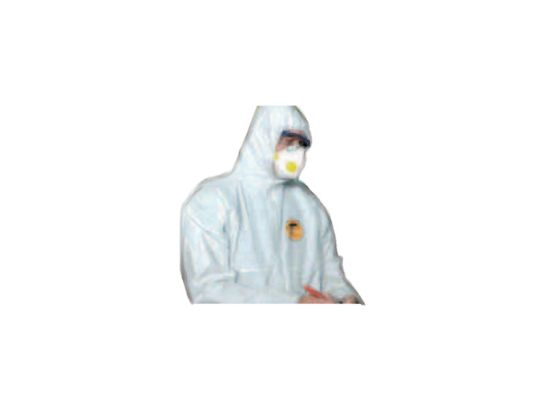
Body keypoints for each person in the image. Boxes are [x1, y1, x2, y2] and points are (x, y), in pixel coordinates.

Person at [180, 106, 363, 304]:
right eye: (288, 142)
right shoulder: (213, 201)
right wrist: (296, 303)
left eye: (301, 144)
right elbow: (208, 290)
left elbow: (331, 274)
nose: (297, 152)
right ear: (263, 136)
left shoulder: (309, 206)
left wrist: (346, 298)